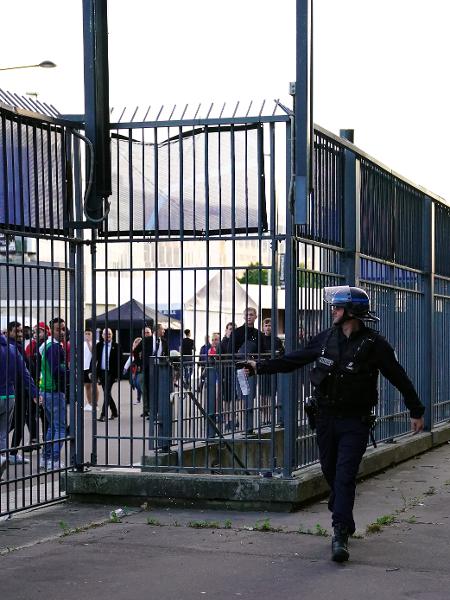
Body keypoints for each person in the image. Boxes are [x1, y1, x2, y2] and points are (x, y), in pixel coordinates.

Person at [245, 286, 425, 563]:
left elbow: (398, 376)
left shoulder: (375, 344)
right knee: (329, 470)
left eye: (337, 308)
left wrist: (416, 410)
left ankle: (340, 533)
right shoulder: (325, 338)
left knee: (344, 475)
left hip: (356, 420)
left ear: (351, 312)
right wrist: (261, 367)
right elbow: (295, 359)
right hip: (325, 418)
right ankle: (342, 510)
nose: (332, 311)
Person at [0, 333, 37, 479]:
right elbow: (25, 373)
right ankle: (2, 457)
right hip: (9, 396)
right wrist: (34, 392)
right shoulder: (13, 349)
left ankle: (1, 458)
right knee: (2, 433)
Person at [227, 307, 265, 434]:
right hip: (240, 369)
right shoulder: (237, 332)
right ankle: (245, 426)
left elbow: (263, 352)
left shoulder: (258, 334)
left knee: (250, 398)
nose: (249, 317)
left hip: (253, 369)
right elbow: (229, 351)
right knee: (243, 397)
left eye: (252, 314)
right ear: (244, 316)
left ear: (256, 317)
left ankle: (249, 427)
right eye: (247, 314)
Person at [39, 317, 69, 469]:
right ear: (52, 330)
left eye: (63, 328)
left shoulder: (47, 345)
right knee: (60, 427)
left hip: (46, 390)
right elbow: (57, 370)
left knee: (52, 426)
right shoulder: (55, 347)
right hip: (54, 390)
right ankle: (54, 460)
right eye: (59, 329)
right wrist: (70, 373)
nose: (62, 332)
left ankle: (46, 458)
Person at [7, 321, 31, 464]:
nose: (21, 334)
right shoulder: (14, 347)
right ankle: (12, 453)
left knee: (14, 422)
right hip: (18, 389)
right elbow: (26, 369)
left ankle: (11, 453)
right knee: (18, 421)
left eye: (21, 331)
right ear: (9, 332)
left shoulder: (15, 346)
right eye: (17, 332)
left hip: (17, 389)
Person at [25, 322, 50, 441]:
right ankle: (34, 437)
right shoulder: (30, 346)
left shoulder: (48, 345)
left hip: (45, 382)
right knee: (30, 412)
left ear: (46, 332)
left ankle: (46, 437)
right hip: (33, 381)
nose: (35, 334)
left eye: (39, 332)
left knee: (44, 413)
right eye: (34, 332)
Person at [95, 328, 122, 422]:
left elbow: (120, 362)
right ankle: (114, 411)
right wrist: (91, 371)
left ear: (112, 335)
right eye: (106, 334)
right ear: (102, 336)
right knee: (107, 393)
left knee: (106, 392)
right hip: (102, 372)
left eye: (109, 334)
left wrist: (118, 375)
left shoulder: (117, 346)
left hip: (111, 373)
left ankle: (103, 414)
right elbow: (94, 359)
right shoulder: (98, 345)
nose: (108, 336)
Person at [83, 329, 93, 411]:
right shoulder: (82, 344)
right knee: (86, 386)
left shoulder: (94, 342)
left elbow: (92, 351)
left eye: (88, 333)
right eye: (86, 333)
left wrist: (88, 341)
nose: (87, 335)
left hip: (90, 368)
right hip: (83, 367)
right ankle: (88, 403)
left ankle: (93, 403)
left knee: (92, 386)